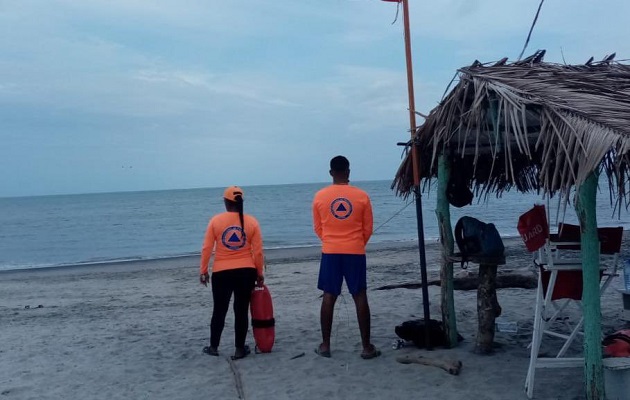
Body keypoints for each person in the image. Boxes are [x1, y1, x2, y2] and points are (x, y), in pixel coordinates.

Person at [312, 155, 381, 359]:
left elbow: (318, 228)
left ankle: (325, 345)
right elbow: (368, 228)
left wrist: (331, 241)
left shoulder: (320, 196)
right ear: (348, 172)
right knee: (359, 295)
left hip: (331, 252)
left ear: (331, 172)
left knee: (329, 295)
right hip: (355, 252)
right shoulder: (361, 196)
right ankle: (366, 347)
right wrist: (356, 242)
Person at [199, 186, 264, 360]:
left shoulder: (216, 221)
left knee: (219, 310)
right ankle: (239, 349)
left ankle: (213, 347)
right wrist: (259, 273)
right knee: (241, 310)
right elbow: (257, 251)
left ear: (226, 202)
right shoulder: (252, 222)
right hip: (246, 272)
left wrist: (203, 271)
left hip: (222, 273)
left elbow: (206, 248)